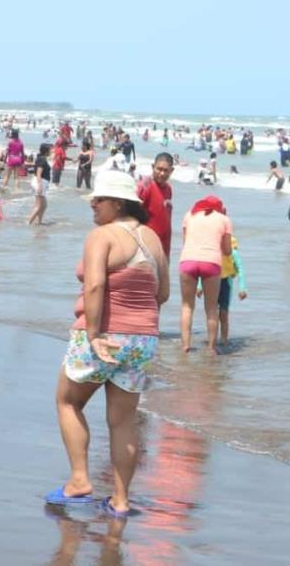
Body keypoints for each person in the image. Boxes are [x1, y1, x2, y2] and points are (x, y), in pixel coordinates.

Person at [47, 170, 168, 516]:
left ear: (118, 202)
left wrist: (95, 334)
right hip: (142, 340)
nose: (93, 205)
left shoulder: (102, 236)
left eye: (98, 200)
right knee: (123, 420)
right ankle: (121, 500)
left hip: (103, 334)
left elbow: (95, 286)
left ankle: (79, 481)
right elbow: (163, 293)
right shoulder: (153, 239)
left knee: (67, 402)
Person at [178, 196, 233, 354]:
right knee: (211, 308)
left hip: (188, 260)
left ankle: (186, 345)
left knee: (187, 305)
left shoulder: (189, 215)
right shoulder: (224, 219)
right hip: (211, 262)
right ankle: (211, 347)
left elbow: (185, 241)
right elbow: (228, 250)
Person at [137, 153, 174, 259]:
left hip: (163, 248)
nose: (162, 173)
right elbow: (133, 215)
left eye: (166, 170)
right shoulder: (146, 186)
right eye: (159, 169)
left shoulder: (168, 189)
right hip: (146, 248)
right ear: (153, 167)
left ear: (172, 171)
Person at [216, 236, 247, 345]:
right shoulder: (215, 251)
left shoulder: (233, 253)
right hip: (214, 282)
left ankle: (223, 340)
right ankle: (215, 340)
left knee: (222, 313)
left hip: (225, 283)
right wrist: (200, 286)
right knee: (215, 314)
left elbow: (240, 270)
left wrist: (243, 288)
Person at [28, 143, 51, 225]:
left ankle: (39, 222)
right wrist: (40, 185)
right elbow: (38, 173)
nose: (51, 151)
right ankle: (28, 222)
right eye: (50, 149)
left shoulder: (41, 158)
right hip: (40, 182)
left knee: (44, 205)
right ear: (46, 151)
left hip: (40, 182)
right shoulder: (42, 159)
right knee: (39, 205)